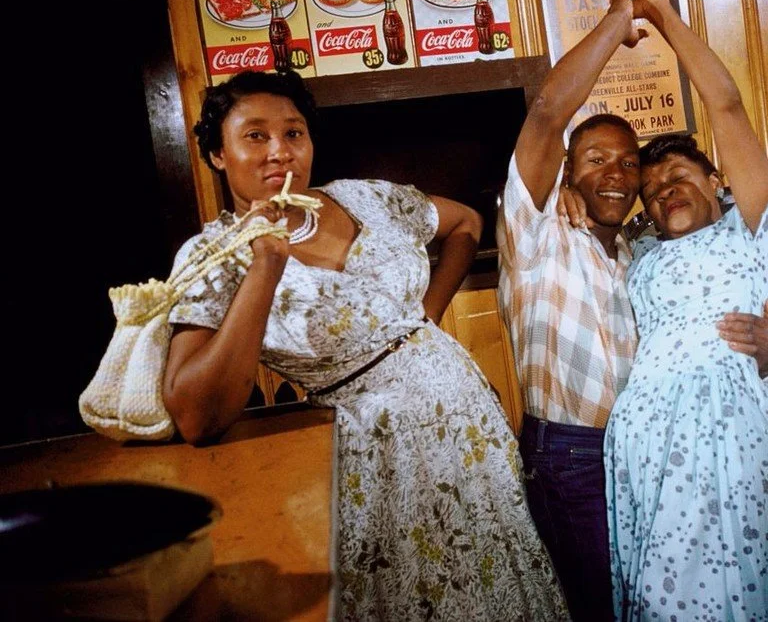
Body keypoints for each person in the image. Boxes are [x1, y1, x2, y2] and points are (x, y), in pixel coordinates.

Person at [163, 70, 567, 620]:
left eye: (294, 133)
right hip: (376, 460)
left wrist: (427, 315)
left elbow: (467, 223)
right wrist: (266, 262)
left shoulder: (364, 198)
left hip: (466, 428)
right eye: (255, 135)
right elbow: (197, 416)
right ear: (217, 153)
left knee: (494, 577)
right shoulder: (210, 256)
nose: (279, 151)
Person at [497, 0, 768, 622]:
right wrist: (622, 15)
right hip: (569, 454)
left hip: (650, 451)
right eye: (594, 159)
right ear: (566, 172)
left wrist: (766, 349)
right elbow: (545, 114)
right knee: (601, 606)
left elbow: (712, 328)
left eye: (628, 163)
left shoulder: (639, 254)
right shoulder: (536, 231)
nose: (616, 174)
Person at [600, 0, 768, 620]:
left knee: (742, 591)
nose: (664, 191)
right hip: (647, 439)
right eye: (652, 190)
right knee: (665, 597)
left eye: (679, 176)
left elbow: (726, 105)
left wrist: (661, 12)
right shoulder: (641, 254)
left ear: (716, 180)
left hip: (727, 435)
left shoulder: (752, 229)